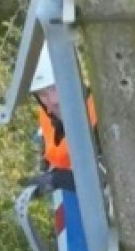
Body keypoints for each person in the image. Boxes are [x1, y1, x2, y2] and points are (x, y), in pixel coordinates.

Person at [30, 47, 97, 182]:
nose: (53, 100)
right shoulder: (48, 124)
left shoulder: (106, 116)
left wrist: (61, 180)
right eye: (43, 94)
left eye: (56, 87)